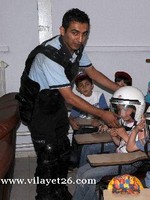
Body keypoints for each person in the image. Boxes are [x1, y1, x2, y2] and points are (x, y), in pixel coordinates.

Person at [15, 8, 120, 200]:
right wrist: (102, 114)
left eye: (84, 34)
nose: (80, 39)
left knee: (62, 152)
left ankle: (60, 193)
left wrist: (119, 90)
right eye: (75, 32)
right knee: (48, 159)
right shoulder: (49, 57)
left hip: (56, 106)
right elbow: (70, 97)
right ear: (62, 30)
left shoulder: (77, 49)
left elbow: (92, 73)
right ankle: (45, 195)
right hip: (39, 110)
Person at [73, 86, 146, 200]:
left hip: (128, 164)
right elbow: (120, 144)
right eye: (119, 109)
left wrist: (123, 135)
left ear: (137, 109)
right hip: (117, 157)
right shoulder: (126, 122)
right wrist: (114, 137)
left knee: (87, 176)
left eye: (126, 109)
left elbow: (137, 149)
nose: (122, 113)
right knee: (81, 171)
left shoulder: (141, 127)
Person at [78, 70, 133, 167]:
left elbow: (126, 127)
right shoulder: (115, 101)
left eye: (124, 83)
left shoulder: (133, 104)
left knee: (89, 149)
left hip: (124, 144)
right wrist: (106, 125)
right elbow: (116, 121)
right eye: (118, 82)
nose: (120, 85)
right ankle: (81, 170)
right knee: (86, 148)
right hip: (117, 139)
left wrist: (114, 129)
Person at [68, 72, 111, 169]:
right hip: (83, 127)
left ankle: (92, 161)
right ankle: (75, 162)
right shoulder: (78, 99)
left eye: (87, 84)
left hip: (97, 127)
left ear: (92, 86)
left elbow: (105, 111)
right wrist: (72, 122)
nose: (84, 87)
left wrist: (98, 119)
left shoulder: (99, 96)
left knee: (95, 143)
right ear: (78, 89)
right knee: (77, 139)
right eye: (81, 86)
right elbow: (72, 117)